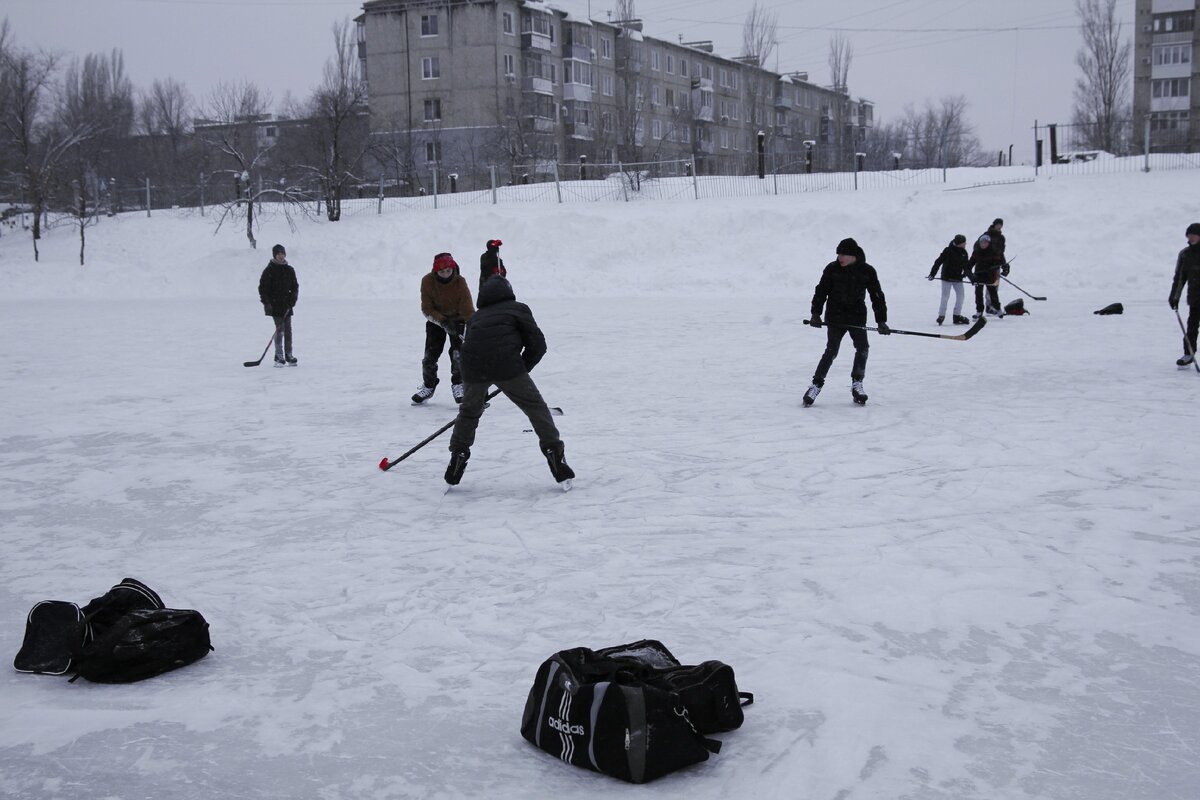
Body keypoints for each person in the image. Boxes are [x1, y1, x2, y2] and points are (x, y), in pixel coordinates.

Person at [445, 277, 574, 487]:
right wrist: (521, 368)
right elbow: (538, 345)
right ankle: (554, 453)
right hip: (506, 365)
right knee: (536, 408)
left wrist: (480, 386)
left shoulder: (476, 317)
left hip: (472, 368)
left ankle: (458, 455)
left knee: (469, 413)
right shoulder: (518, 309)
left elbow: (474, 346)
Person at [804, 237, 889, 407]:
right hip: (835, 316)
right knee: (831, 350)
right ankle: (816, 385)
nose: (840, 258)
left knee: (862, 348)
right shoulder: (832, 269)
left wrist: (881, 321)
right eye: (838, 254)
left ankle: (857, 383)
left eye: (843, 255)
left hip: (856, 316)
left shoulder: (867, 271)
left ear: (853, 255)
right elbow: (821, 291)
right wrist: (815, 313)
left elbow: (877, 296)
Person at [412, 252, 475, 405]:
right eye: (442, 271)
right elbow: (426, 308)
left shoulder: (460, 282)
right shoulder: (427, 281)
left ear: (453, 269)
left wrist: (473, 325)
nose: (446, 274)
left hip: (458, 320)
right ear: (435, 271)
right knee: (430, 357)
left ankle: (458, 383)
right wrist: (443, 322)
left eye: (448, 271)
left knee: (457, 355)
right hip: (436, 321)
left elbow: (467, 308)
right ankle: (429, 385)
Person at [258, 244, 299, 367]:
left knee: (288, 331)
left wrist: (292, 300)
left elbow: (295, 287)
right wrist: (267, 303)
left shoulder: (289, 269)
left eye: (282, 254)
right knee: (279, 329)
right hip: (275, 305)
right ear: (275, 255)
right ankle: (278, 355)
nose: (281, 256)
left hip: (287, 305)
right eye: (278, 254)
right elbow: (263, 289)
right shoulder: (269, 270)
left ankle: (289, 354)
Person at [1169, 222, 1200, 366]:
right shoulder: (1185, 254)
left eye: (1195, 235)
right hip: (1196, 298)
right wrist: (1174, 297)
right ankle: (1189, 354)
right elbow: (1180, 278)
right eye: (1189, 235)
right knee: (1192, 326)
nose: (1191, 237)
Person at [928, 234, 971, 325]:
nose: (965, 244)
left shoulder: (964, 253)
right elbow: (938, 262)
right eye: (964, 243)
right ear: (959, 243)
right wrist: (932, 274)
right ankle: (941, 315)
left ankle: (957, 316)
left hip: (957, 278)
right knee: (945, 297)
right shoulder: (948, 251)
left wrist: (972, 279)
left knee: (961, 296)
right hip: (946, 278)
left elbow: (967, 267)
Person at [968, 234, 1006, 318]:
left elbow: (1001, 261)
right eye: (981, 242)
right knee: (978, 294)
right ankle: (979, 311)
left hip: (990, 277)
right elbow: (969, 265)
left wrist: (1004, 269)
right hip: (978, 276)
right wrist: (970, 276)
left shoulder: (994, 251)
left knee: (993, 294)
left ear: (989, 243)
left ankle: (998, 309)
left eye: (985, 243)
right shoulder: (977, 251)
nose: (983, 244)